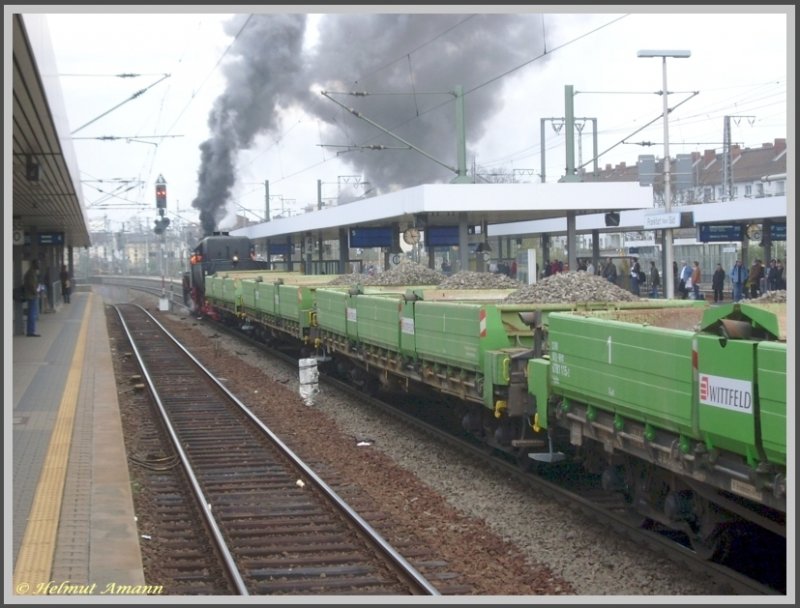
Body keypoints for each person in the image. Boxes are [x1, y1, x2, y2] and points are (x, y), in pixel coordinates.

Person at [23, 260, 41, 337]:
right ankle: (31, 332)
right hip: (31, 296)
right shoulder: (31, 273)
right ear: (34, 264)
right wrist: (36, 293)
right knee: (32, 314)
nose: (39, 265)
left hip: (32, 295)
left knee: (32, 313)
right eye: (38, 263)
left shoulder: (32, 272)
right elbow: (31, 285)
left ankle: (31, 331)